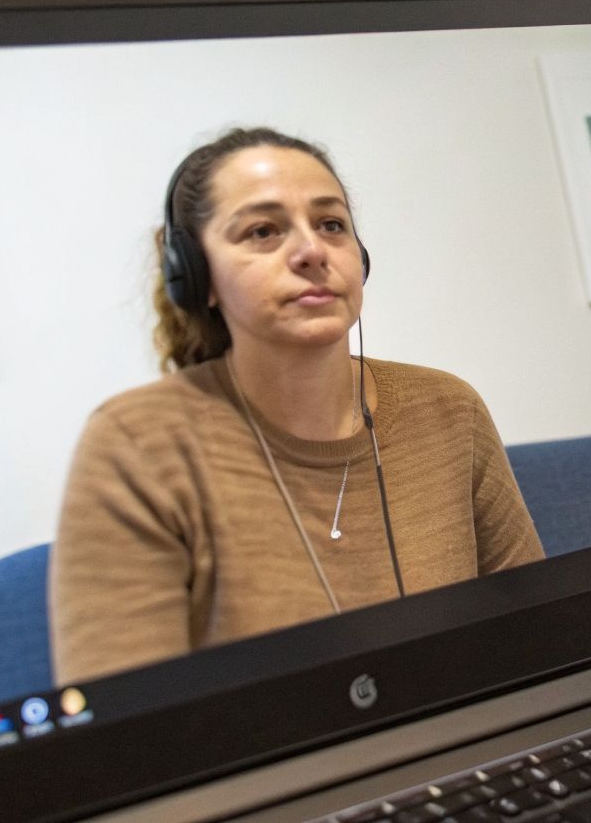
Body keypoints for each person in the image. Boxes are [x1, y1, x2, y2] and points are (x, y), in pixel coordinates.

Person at [50, 127, 544, 686]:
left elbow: (536, 639)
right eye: (263, 231)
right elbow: (132, 734)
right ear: (194, 276)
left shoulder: (449, 410)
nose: (311, 252)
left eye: (331, 224)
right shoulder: (137, 445)